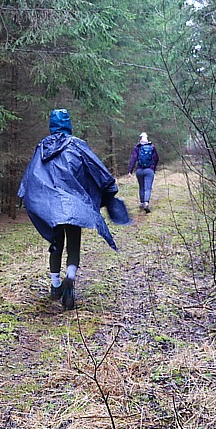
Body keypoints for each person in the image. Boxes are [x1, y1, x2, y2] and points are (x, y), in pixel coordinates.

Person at [18, 109, 130, 310]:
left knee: (55, 243)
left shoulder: (42, 147)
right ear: (68, 124)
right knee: (73, 245)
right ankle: (70, 277)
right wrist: (109, 191)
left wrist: (23, 194)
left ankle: (55, 285)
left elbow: (30, 176)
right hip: (74, 206)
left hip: (51, 207)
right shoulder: (77, 145)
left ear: (51, 125)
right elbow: (97, 169)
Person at [128, 132, 159, 212]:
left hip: (139, 170)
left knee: (141, 187)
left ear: (140, 139)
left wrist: (130, 171)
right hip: (149, 170)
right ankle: (146, 203)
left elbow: (133, 159)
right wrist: (153, 168)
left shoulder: (137, 147)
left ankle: (142, 203)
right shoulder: (152, 147)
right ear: (147, 138)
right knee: (147, 188)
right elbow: (156, 158)